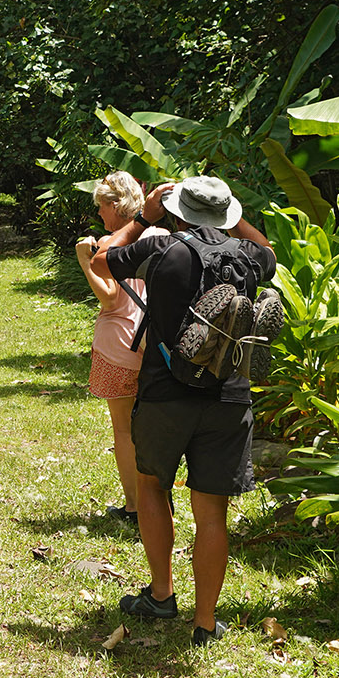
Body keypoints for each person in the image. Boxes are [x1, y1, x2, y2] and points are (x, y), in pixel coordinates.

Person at [93, 175, 275, 646]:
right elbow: (266, 247)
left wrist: (143, 217)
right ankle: (206, 623)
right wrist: (233, 218)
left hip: (165, 390)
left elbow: (101, 258)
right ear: (227, 214)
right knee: (212, 511)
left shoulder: (161, 251)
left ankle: (160, 594)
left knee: (153, 486)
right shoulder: (249, 257)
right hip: (229, 392)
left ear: (176, 211)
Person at [74, 172, 167, 526]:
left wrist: (85, 260)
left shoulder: (112, 244)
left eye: (101, 207)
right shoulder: (161, 235)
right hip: (157, 343)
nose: (99, 214)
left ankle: (135, 507)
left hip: (120, 346)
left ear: (114, 206)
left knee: (125, 430)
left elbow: (111, 298)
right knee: (155, 427)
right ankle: (161, 500)